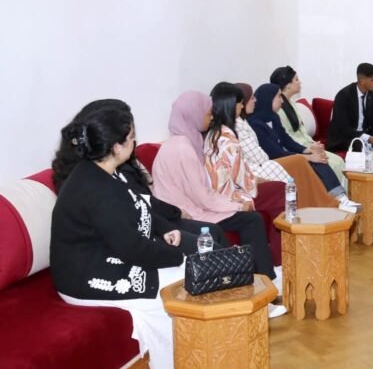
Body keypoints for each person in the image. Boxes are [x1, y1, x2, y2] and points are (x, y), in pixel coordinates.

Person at [50, 105, 186, 369]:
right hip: (85, 276)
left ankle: (181, 365)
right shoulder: (97, 188)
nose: (135, 141)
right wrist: (179, 256)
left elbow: (138, 207)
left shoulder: (104, 171)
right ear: (115, 147)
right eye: (132, 136)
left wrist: (163, 230)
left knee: (186, 275)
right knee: (183, 283)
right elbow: (133, 249)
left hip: (105, 256)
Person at [150, 91, 285, 317]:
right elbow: (203, 196)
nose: (212, 117)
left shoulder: (180, 142)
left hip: (190, 207)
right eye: (208, 113)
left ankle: (263, 283)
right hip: (187, 213)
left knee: (249, 218)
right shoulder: (183, 148)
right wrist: (236, 205)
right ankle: (261, 287)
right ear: (193, 115)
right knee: (250, 220)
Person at [52, 98, 227, 250]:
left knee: (214, 234)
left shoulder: (107, 163)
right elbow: (138, 208)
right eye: (128, 134)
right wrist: (175, 213)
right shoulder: (98, 171)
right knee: (211, 239)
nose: (132, 139)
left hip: (151, 222)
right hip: (140, 232)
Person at [234, 83, 347, 210]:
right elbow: (274, 153)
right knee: (308, 161)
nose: (282, 101)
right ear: (268, 99)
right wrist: (308, 157)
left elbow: (286, 140)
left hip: (273, 159)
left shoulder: (273, 117)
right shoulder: (254, 123)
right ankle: (329, 202)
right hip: (272, 160)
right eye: (279, 97)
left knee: (318, 160)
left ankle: (339, 197)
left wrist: (308, 149)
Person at [269, 65, 349, 186]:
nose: (300, 82)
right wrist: (308, 149)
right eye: (296, 79)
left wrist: (313, 144)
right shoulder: (278, 109)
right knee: (336, 163)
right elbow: (286, 138)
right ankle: (337, 196)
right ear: (288, 85)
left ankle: (342, 195)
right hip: (296, 150)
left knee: (338, 161)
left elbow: (301, 131)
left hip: (306, 146)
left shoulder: (291, 102)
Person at [327, 62, 373, 152]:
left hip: (365, 135)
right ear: (362, 80)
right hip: (345, 137)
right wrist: (368, 138)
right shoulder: (344, 95)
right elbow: (344, 128)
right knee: (360, 145)